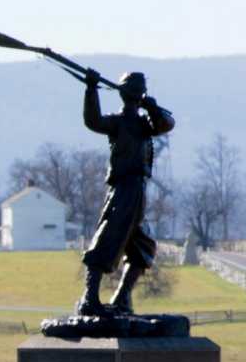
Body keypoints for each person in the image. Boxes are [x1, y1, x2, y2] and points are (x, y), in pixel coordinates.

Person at [74, 70, 176, 316]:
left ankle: (121, 297)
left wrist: (151, 107)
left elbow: (167, 123)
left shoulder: (145, 123)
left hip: (138, 190)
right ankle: (90, 299)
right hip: (124, 187)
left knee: (143, 248)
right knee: (109, 236)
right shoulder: (118, 122)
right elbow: (93, 121)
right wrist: (91, 89)